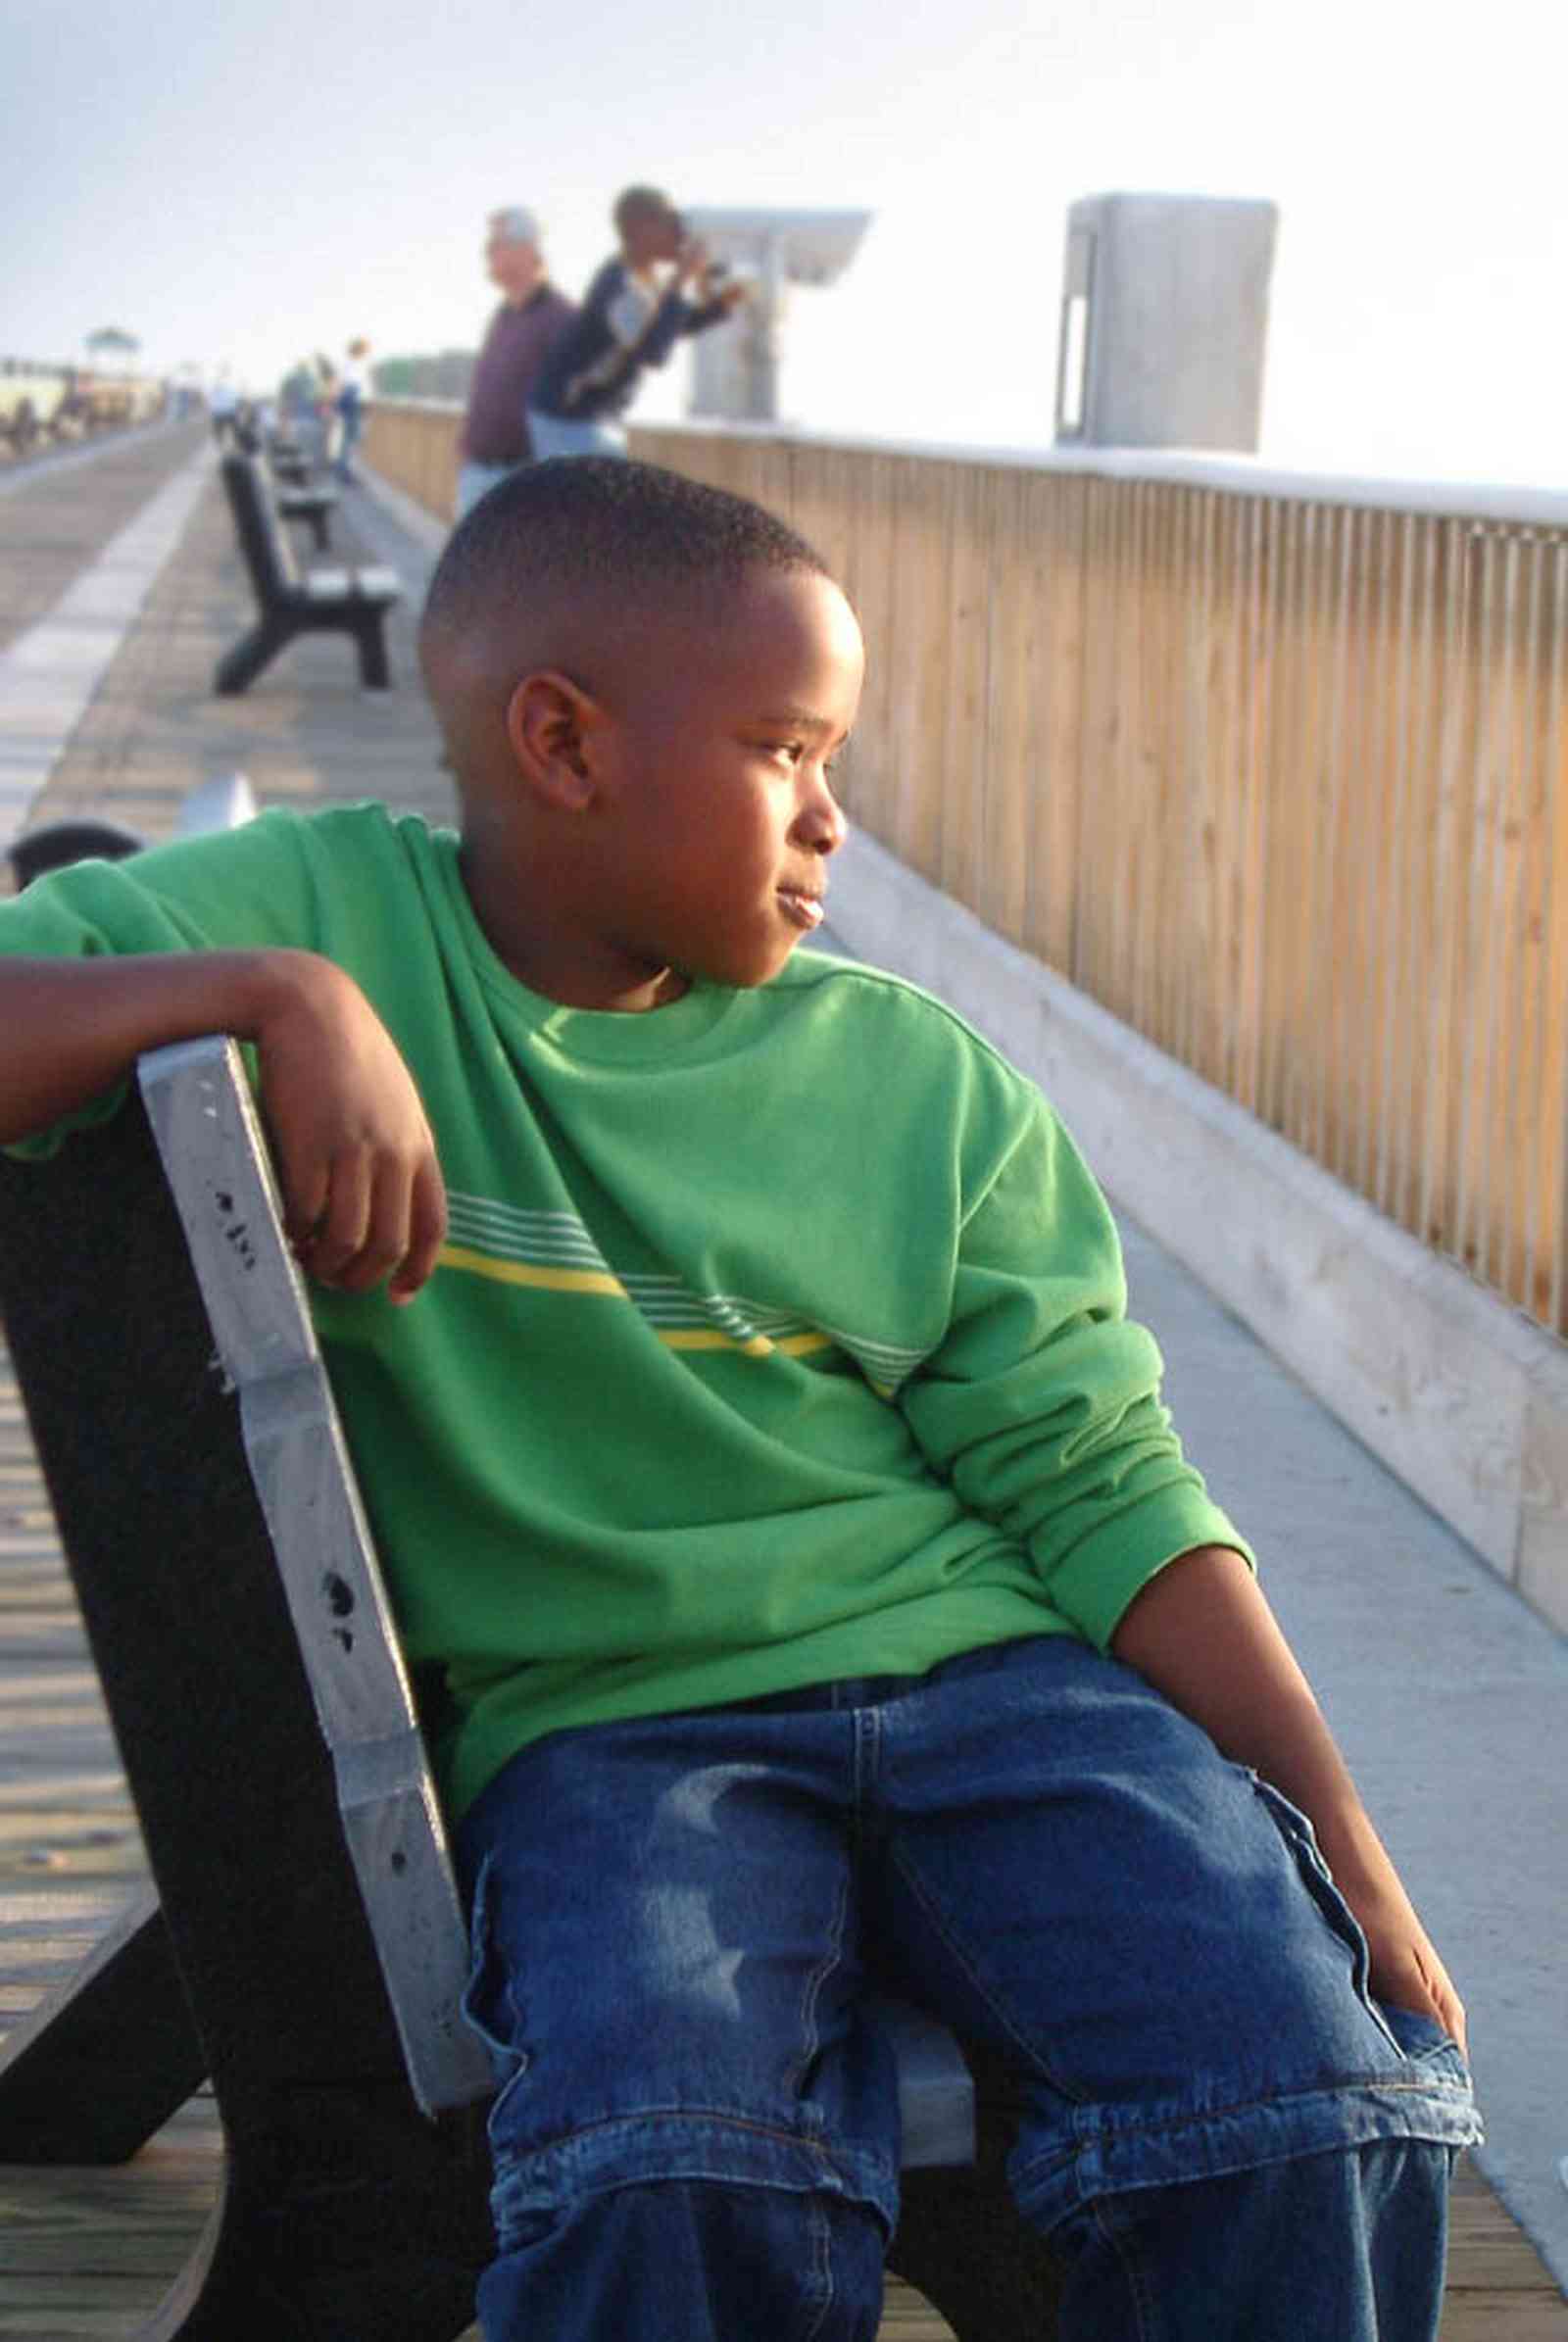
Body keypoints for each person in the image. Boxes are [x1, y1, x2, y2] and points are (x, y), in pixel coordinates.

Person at [0, 458, 1479, 2341]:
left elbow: (1103, 1479)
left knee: (1310, 2093)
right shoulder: (343, 923)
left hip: (1009, 1697)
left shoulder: (912, 1082)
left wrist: (1333, 1834)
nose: (834, 821)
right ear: (563, 742)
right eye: (790, 750)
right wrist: (278, 991)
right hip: (614, 1736)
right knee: (666, 2155)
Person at [527, 184, 745, 458]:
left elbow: (666, 329)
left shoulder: (641, 277)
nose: (680, 234)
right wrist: (681, 279)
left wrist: (719, 307)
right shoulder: (619, 287)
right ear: (641, 228)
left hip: (587, 414)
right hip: (567, 419)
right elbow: (653, 352)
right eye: (671, 222)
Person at [456, 206, 576, 521]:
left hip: (521, 485)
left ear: (526, 251)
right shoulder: (503, 315)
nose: (487, 252)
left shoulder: (560, 319)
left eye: (496, 245)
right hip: (478, 475)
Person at [333, 336, 371, 484]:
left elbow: (340, 386)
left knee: (347, 440)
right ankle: (346, 473)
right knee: (353, 439)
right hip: (354, 402)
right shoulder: (357, 365)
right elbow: (361, 388)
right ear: (361, 350)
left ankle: (343, 470)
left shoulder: (346, 364)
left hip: (348, 402)